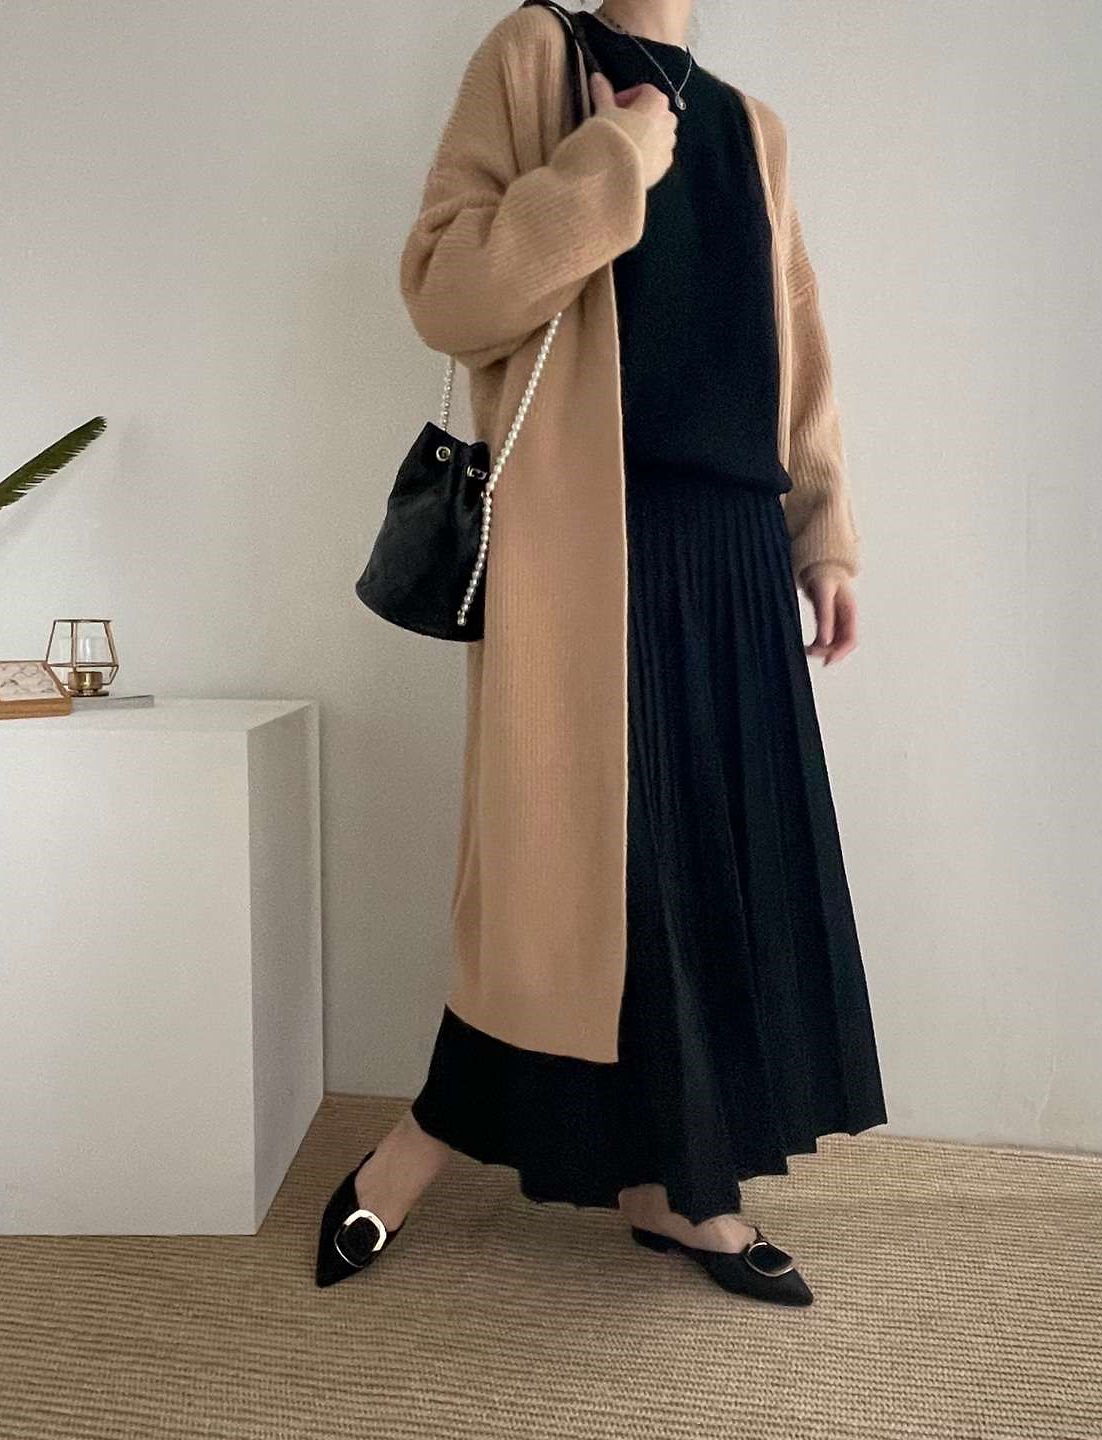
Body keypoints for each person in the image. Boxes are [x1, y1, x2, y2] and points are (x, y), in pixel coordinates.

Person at [316, 0, 888, 1307]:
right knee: (561, 890)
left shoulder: (752, 130)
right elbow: (448, 293)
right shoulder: (532, 59)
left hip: (733, 552)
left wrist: (824, 535)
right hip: (586, 547)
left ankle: (678, 1188)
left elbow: (797, 351)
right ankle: (421, 1145)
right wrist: (611, 159)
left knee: (702, 878)